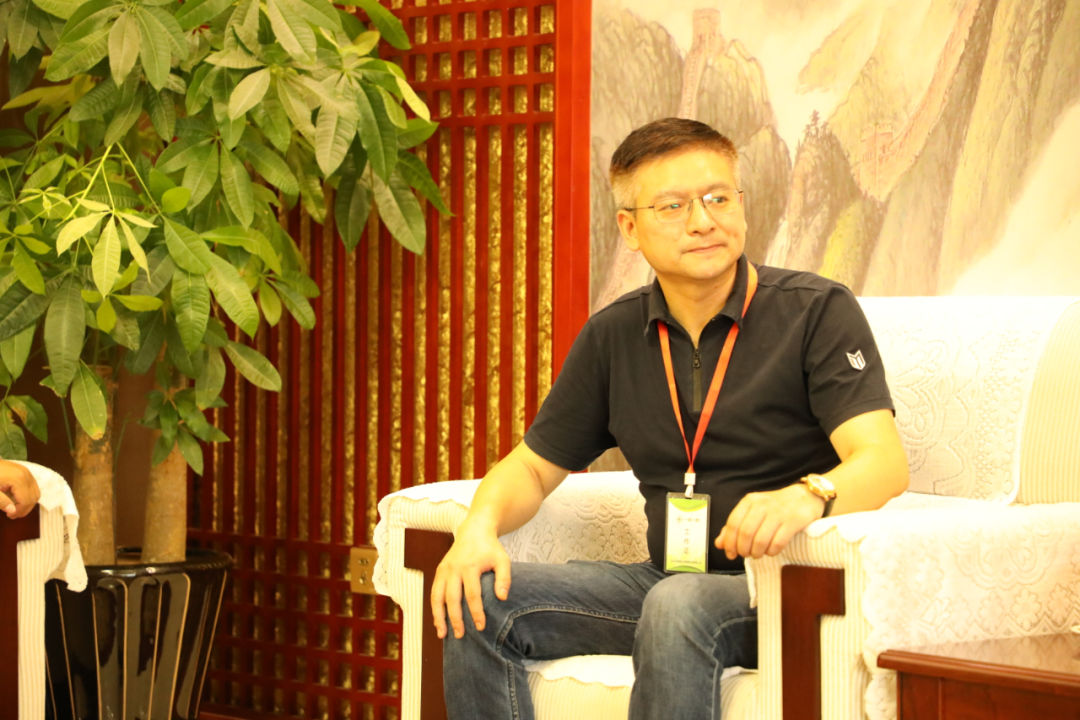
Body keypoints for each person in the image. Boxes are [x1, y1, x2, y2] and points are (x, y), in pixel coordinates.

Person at [431, 117, 909, 719]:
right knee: (476, 595)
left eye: (718, 198)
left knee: (677, 603)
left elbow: (883, 462)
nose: (703, 220)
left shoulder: (815, 312)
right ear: (630, 228)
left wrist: (805, 496)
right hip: (666, 581)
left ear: (742, 205)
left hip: (787, 584)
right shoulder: (613, 335)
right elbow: (530, 468)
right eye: (674, 206)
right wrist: (477, 529)